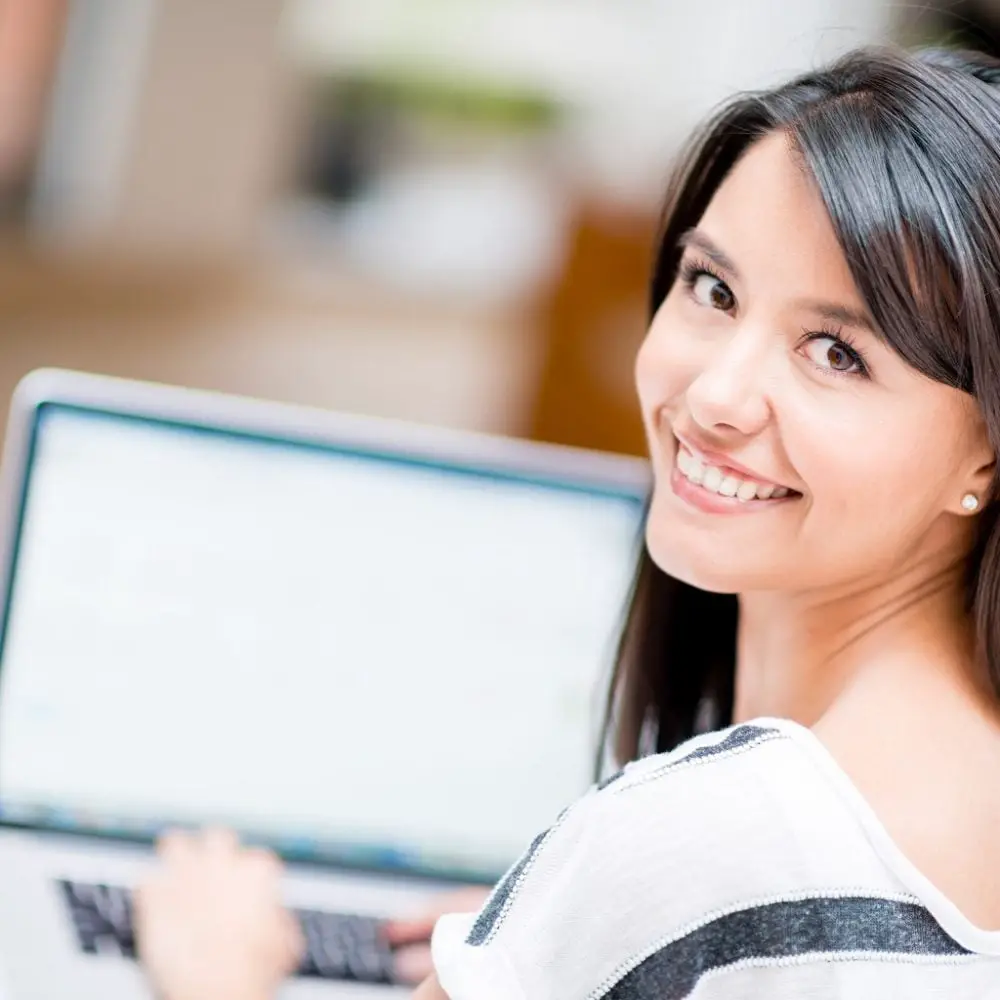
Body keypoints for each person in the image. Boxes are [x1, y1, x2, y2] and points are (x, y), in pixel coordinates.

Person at [134, 44, 1000, 998]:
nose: (715, 395)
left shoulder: (707, 843)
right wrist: (556, 933)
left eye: (836, 352)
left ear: (987, 455)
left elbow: (715, 872)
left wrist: (217, 971)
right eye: (713, 290)